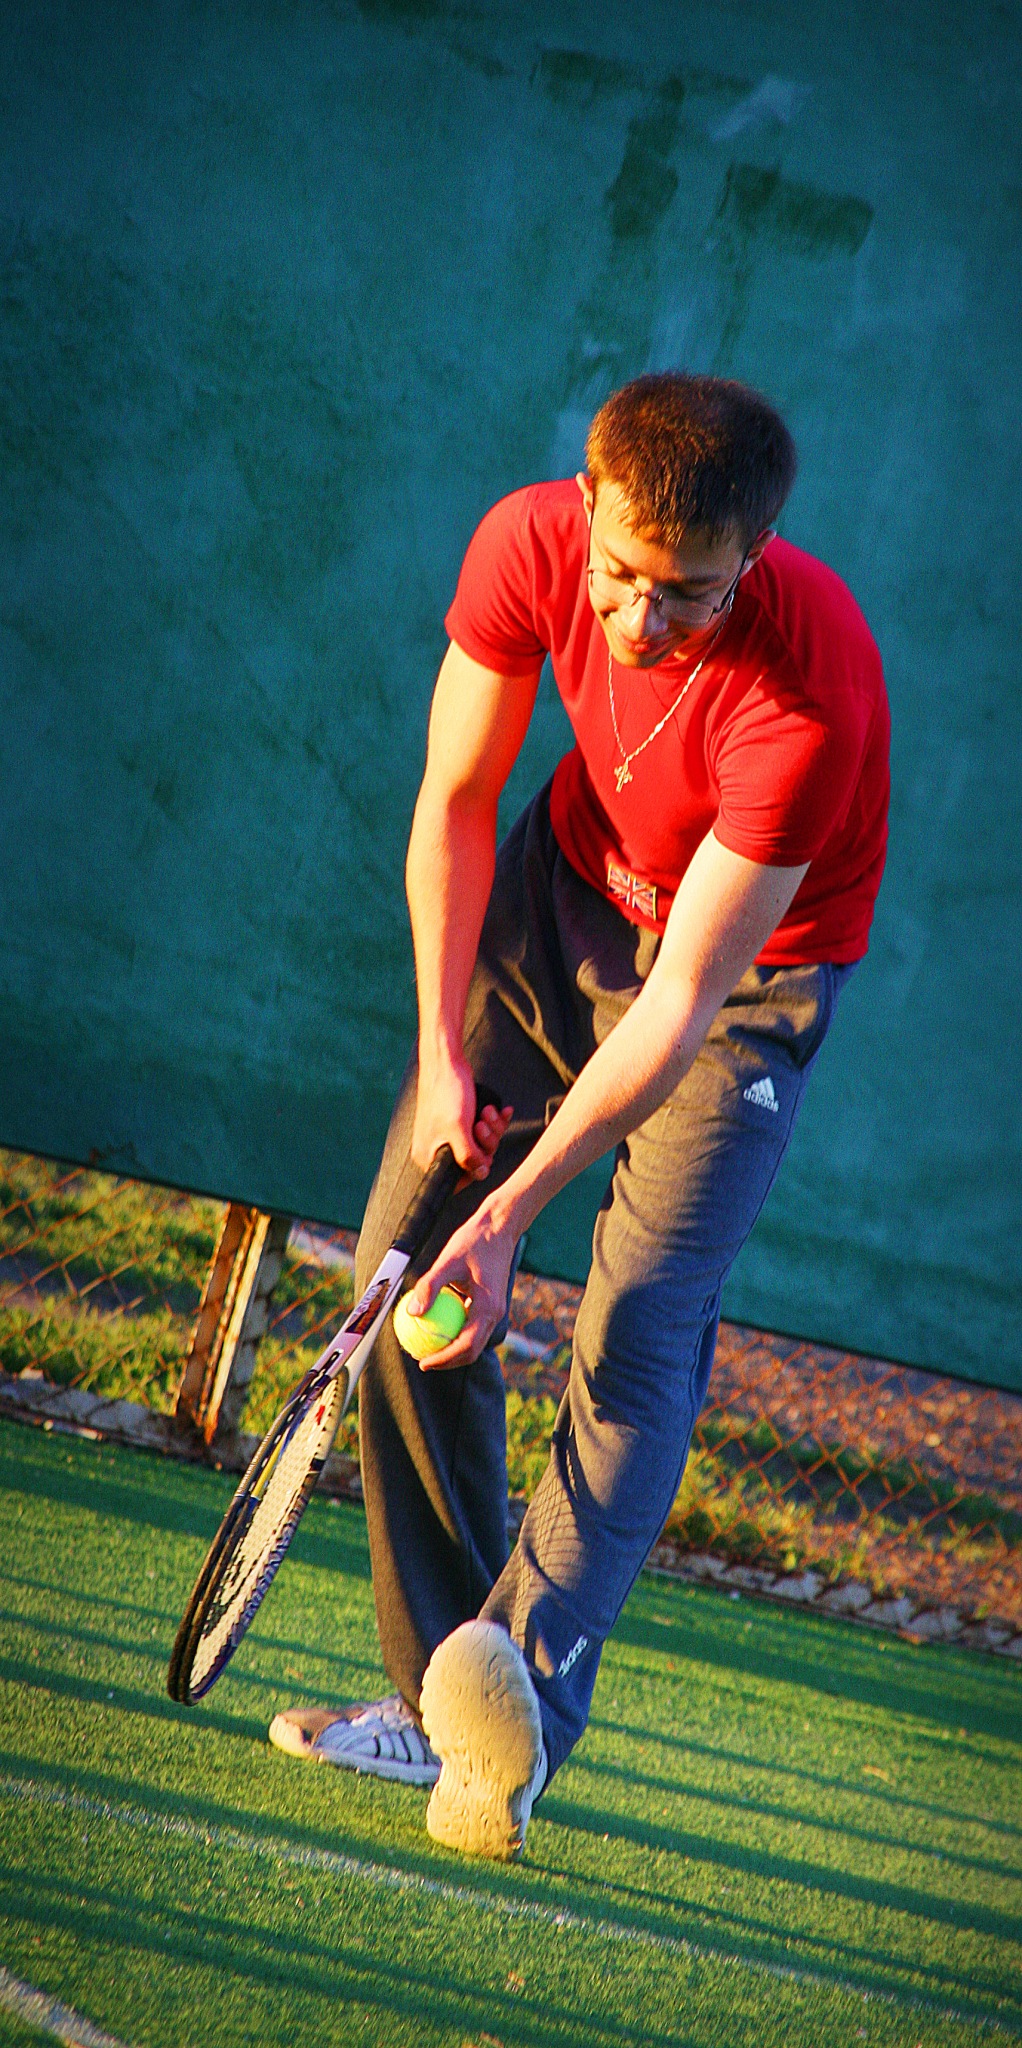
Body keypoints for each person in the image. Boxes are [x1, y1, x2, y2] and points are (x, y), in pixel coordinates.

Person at [269, 373, 890, 1862]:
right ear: (586, 505)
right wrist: (442, 1056)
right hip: (563, 898)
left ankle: (521, 1720)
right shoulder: (526, 543)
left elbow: (678, 1009)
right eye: (619, 572)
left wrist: (510, 1213)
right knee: (402, 1266)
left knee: (641, 1325)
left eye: (687, 592)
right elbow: (456, 793)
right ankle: (437, 1695)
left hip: (739, 989)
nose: (638, 617)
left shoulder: (807, 699)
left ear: (753, 557)